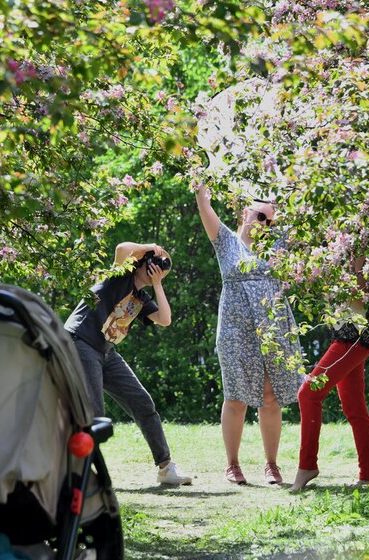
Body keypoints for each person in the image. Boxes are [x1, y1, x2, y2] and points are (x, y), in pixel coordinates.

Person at [196, 184, 301, 485]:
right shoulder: (227, 242)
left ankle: (271, 464)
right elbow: (204, 204)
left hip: (274, 327)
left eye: (271, 220)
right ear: (245, 213)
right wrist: (204, 175)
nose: (266, 224)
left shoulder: (277, 244)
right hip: (234, 330)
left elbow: (301, 209)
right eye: (261, 217)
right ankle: (232, 464)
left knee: (270, 397)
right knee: (236, 396)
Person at [65, 242, 192, 486]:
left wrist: (158, 284)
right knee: (95, 415)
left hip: (105, 351)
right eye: (155, 261)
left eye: (163, 266)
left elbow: (165, 319)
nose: (158, 266)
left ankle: (166, 469)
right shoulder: (120, 275)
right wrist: (151, 247)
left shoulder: (142, 299)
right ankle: (83, 475)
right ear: (143, 261)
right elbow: (122, 248)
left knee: (142, 402)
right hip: (80, 341)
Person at [291, 257, 369, 491]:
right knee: (355, 408)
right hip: (348, 335)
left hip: (354, 336)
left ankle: (307, 465)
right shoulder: (338, 249)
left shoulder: (360, 245)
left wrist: (353, 267)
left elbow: (363, 294)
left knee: (308, 394)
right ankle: (368, 476)